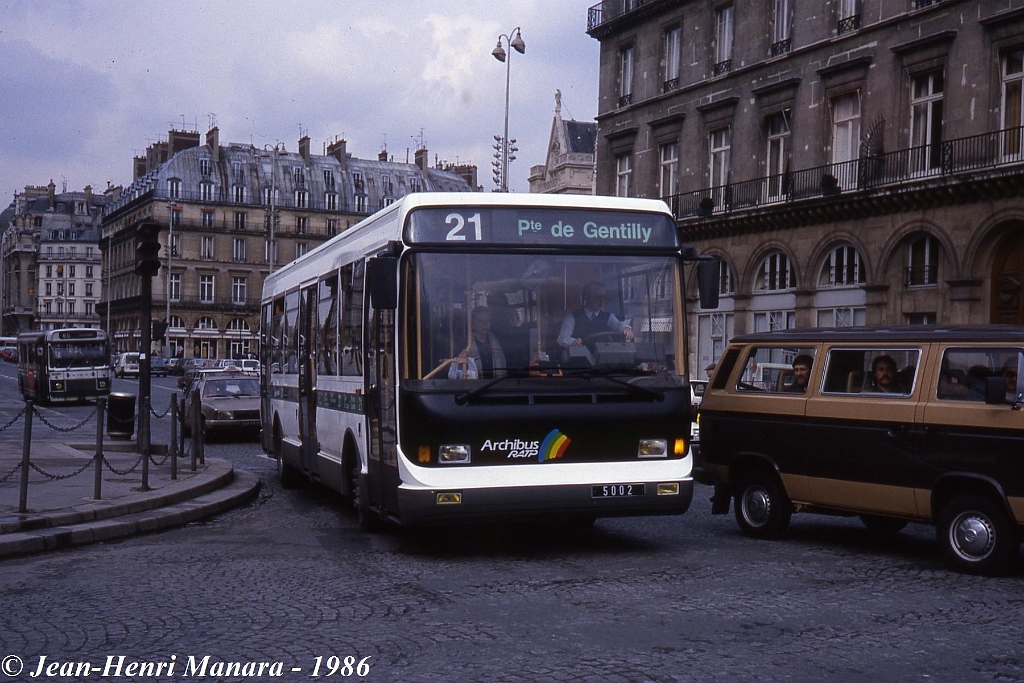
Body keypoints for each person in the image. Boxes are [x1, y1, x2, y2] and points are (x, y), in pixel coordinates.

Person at [557, 281, 633, 351]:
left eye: (603, 297)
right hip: (580, 361)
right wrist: (573, 342)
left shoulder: (608, 317)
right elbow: (562, 338)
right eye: (597, 297)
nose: (601, 300)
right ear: (587, 297)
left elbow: (618, 325)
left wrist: (626, 328)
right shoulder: (572, 317)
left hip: (604, 361)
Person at [450, 306, 506, 379]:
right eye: (481, 321)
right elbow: (458, 371)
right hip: (475, 388)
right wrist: (461, 360)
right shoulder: (465, 344)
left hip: (496, 385)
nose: (485, 324)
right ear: (473, 325)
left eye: (487, 321)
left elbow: (503, 365)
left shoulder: (496, 342)